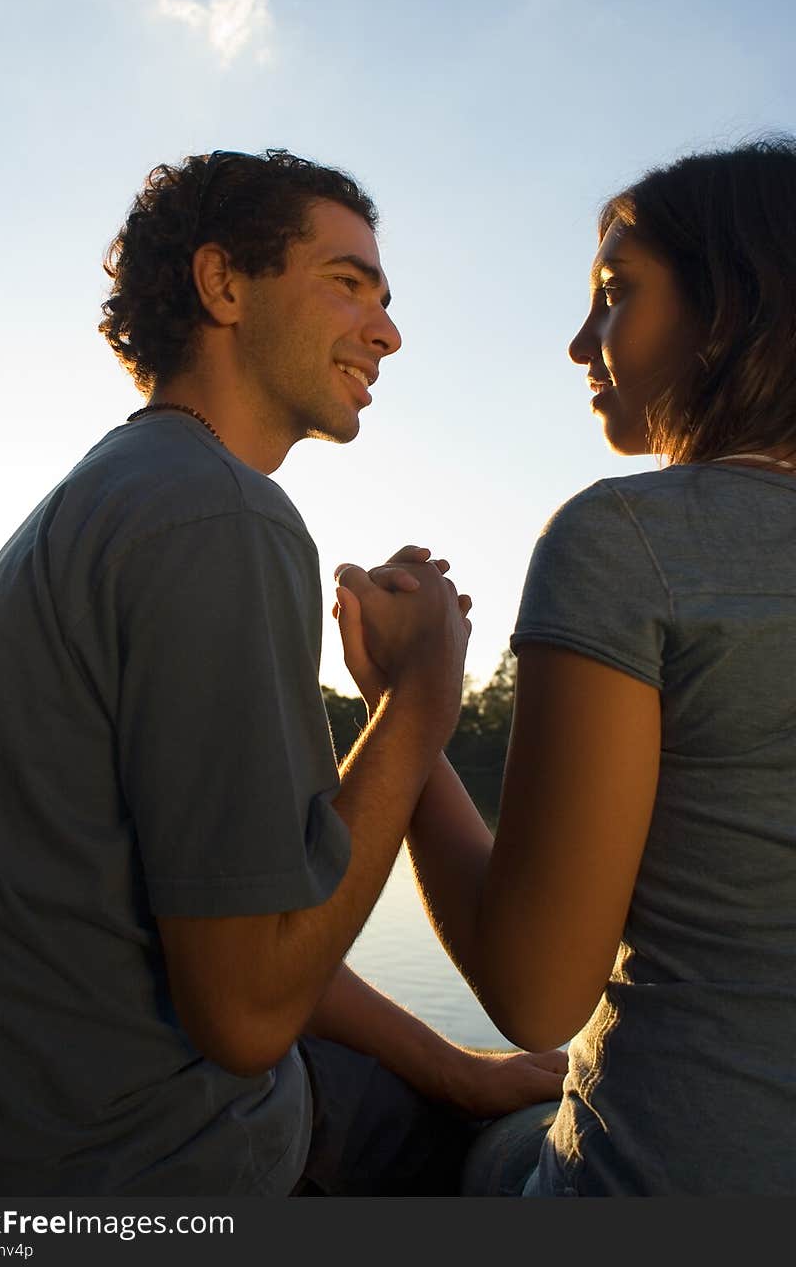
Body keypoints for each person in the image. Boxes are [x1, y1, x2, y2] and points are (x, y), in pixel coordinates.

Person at [0, 148, 564, 1196]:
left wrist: (458, 1064)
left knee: (467, 1091)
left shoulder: (109, 495)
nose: (388, 331)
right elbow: (250, 1008)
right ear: (223, 284)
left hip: (10, 1144)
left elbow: (242, 944)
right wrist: (420, 702)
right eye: (347, 283)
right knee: (559, 1161)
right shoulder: (222, 515)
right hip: (148, 1169)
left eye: (385, 298)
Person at [336, 137, 796, 1195]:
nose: (579, 340)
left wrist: (407, 701)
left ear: (734, 301)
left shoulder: (626, 539)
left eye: (612, 293)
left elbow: (534, 990)